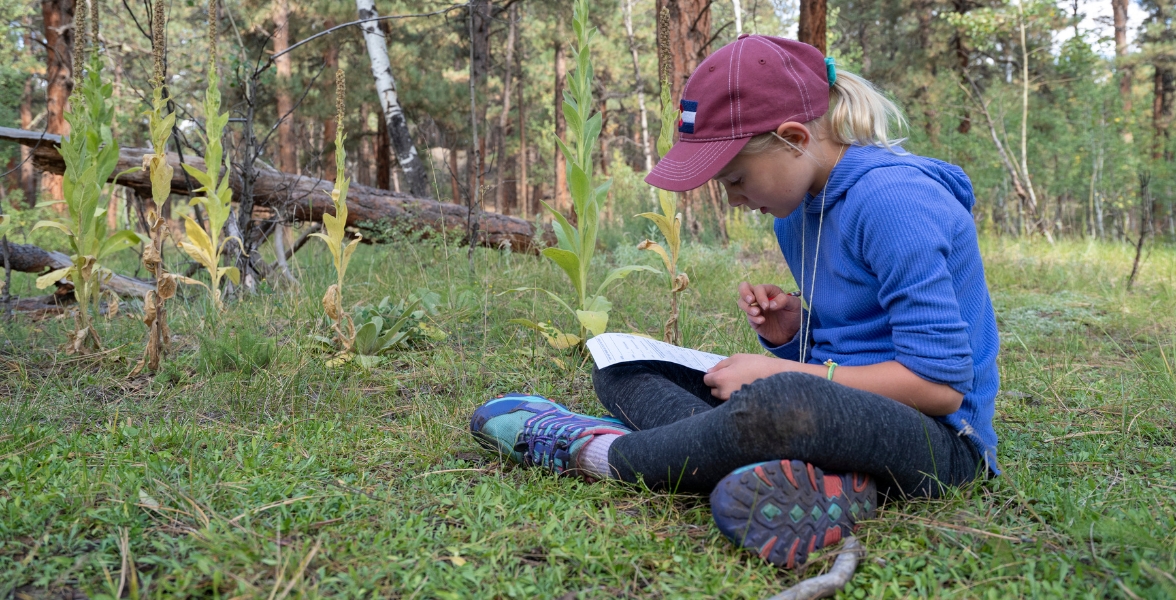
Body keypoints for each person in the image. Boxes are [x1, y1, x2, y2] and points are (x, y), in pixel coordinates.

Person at [469, 34, 998, 569]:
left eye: (736, 178)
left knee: (777, 402)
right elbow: (853, 336)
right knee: (621, 367)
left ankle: (594, 452)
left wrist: (777, 378)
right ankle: (824, 481)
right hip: (830, 416)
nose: (735, 199)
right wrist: (792, 331)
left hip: (940, 444)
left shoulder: (894, 201)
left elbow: (939, 388)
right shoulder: (797, 212)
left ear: (793, 138)